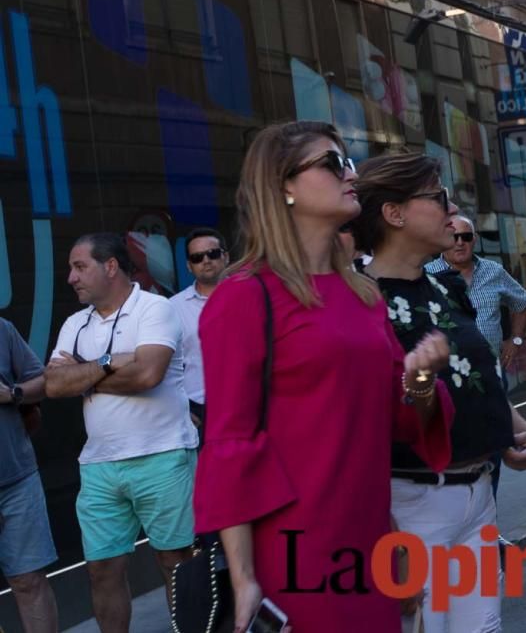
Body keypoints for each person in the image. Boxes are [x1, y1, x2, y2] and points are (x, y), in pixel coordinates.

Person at [192, 121, 453, 632]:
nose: (349, 174)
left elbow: (395, 425)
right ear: (284, 185)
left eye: (348, 161)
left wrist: (420, 378)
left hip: (368, 538)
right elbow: (229, 442)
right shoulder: (244, 295)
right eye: (332, 164)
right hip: (293, 547)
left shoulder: (362, 295)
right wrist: (244, 578)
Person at [353, 152, 526, 633]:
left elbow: (477, 374)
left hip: (479, 496)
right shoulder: (359, 300)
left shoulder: (445, 287)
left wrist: (515, 429)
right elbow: (362, 421)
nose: (450, 208)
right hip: (411, 505)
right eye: (437, 197)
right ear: (394, 214)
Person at [44, 233, 199, 632]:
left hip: (163, 456)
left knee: (176, 563)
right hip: (99, 466)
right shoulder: (75, 322)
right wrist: (114, 361)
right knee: (101, 569)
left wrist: (84, 374)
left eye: (80, 267)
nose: (70, 278)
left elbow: (148, 374)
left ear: (110, 266)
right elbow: (54, 385)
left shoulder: (155, 308)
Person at [0, 319, 58, 633]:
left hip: (16, 481)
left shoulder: (3, 330)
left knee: (29, 581)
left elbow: (42, 381)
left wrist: (12, 393)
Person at [425, 215, 526, 366]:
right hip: (448, 374)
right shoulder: (427, 275)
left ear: (474, 239)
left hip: (493, 369)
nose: (460, 243)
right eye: (454, 237)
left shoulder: (494, 271)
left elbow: (523, 303)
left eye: (466, 237)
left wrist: (516, 340)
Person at [169, 227, 230, 445]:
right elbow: (165, 365)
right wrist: (179, 408)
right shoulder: (172, 308)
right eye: (197, 257)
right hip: (198, 410)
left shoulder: (251, 295)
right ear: (188, 265)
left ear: (226, 256)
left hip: (249, 402)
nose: (206, 261)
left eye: (212, 254)